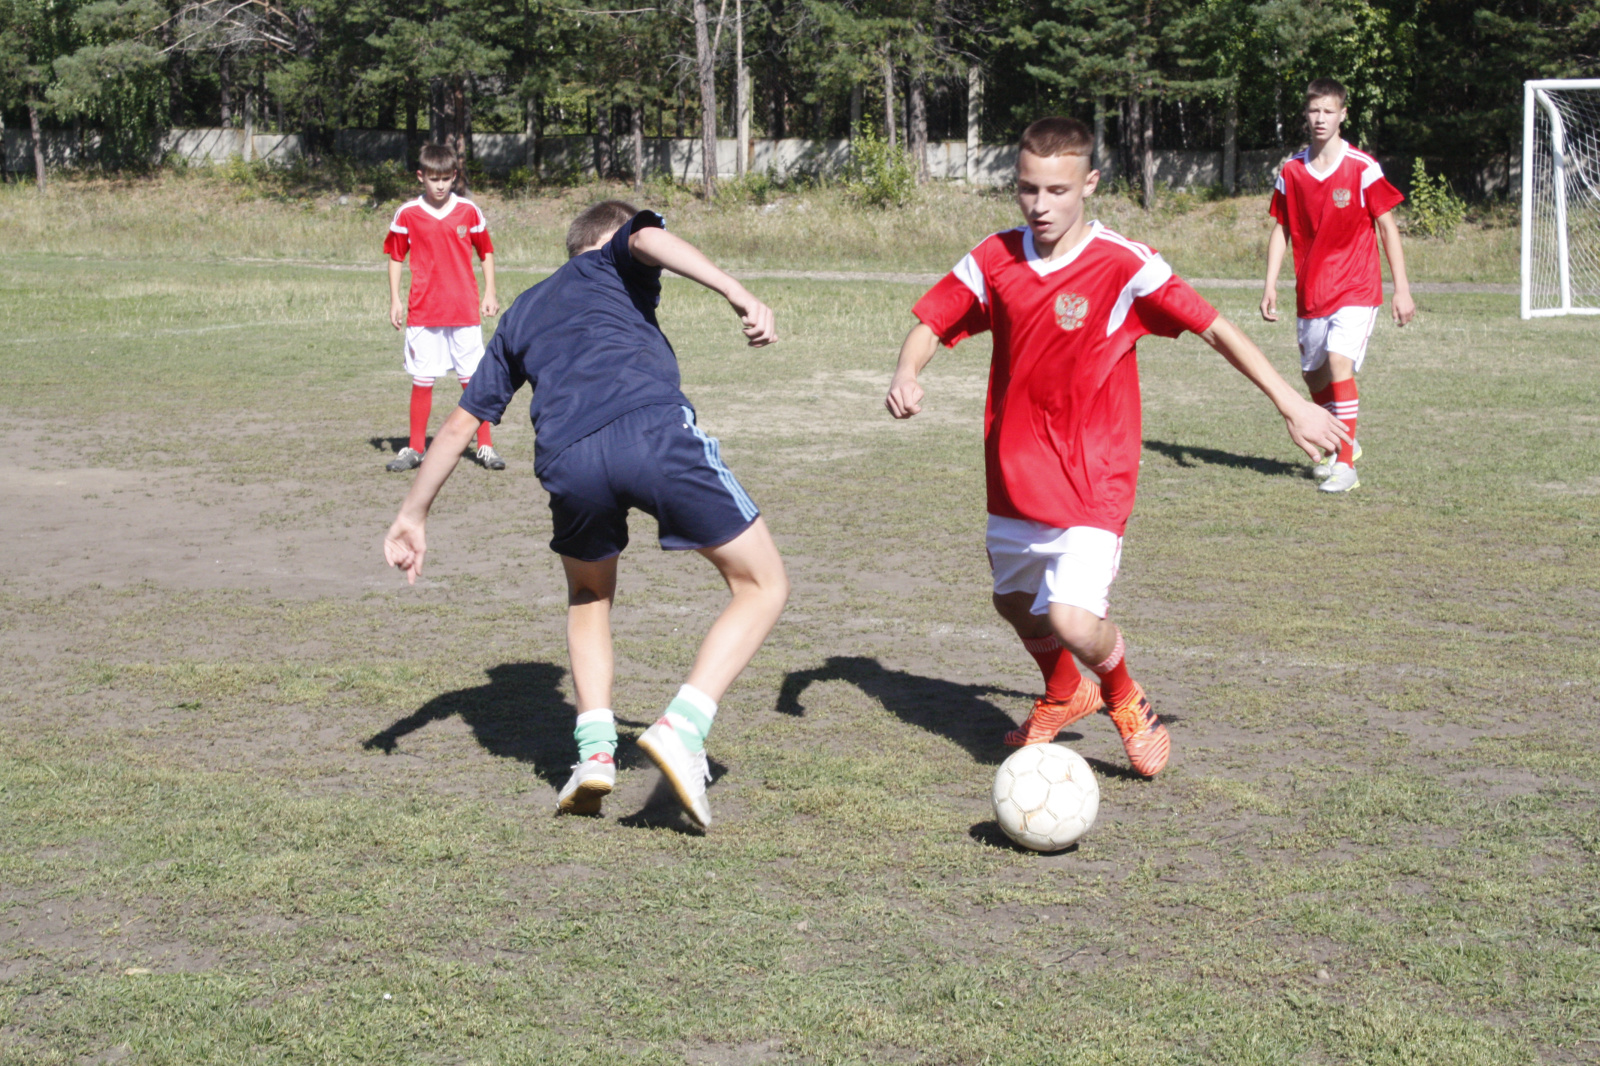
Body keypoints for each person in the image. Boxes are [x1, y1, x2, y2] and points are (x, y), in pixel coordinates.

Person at [885, 117, 1347, 777]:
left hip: (1094, 475)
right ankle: (1067, 691)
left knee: (1072, 619)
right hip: (1015, 471)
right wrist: (907, 373)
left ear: (1090, 184)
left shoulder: (1123, 264)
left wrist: (1292, 403)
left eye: (1056, 190)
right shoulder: (996, 256)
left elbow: (1214, 328)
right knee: (1013, 603)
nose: (1040, 206)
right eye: (1027, 189)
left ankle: (1124, 696)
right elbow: (933, 319)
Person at [383, 200, 788, 830]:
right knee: (763, 584)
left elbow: (466, 419)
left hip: (568, 458)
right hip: (649, 428)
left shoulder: (522, 310)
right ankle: (683, 728)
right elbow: (650, 237)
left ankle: (595, 753)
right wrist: (737, 293)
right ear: (609, 242)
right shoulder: (614, 260)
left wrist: (414, 513)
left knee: (588, 594)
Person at [1261, 77, 1415, 494]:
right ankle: (1344, 435)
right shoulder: (1292, 171)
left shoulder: (1362, 167)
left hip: (1357, 287)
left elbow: (1388, 227)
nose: (1320, 118)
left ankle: (1344, 465)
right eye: (1314, 111)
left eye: (1329, 111)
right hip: (1312, 291)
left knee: (1338, 361)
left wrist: (1401, 288)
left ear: (1343, 114)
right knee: (1313, 377)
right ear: (1305, 114)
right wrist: (1270, 283)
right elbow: (1281, 228)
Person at [383, 143, 503, 472]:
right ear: (421, 176)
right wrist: (394, 299)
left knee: (473, 380)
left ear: (454, 177)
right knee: (423, 379)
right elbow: (396, 257)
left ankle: (486, 446)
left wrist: (489, 292)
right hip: (423, 310)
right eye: (433, 179)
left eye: (446, 179)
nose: (440, 185)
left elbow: (486, 252)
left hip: (463, 309)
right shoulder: (407, 213)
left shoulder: (468, 211)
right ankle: (414, 448)